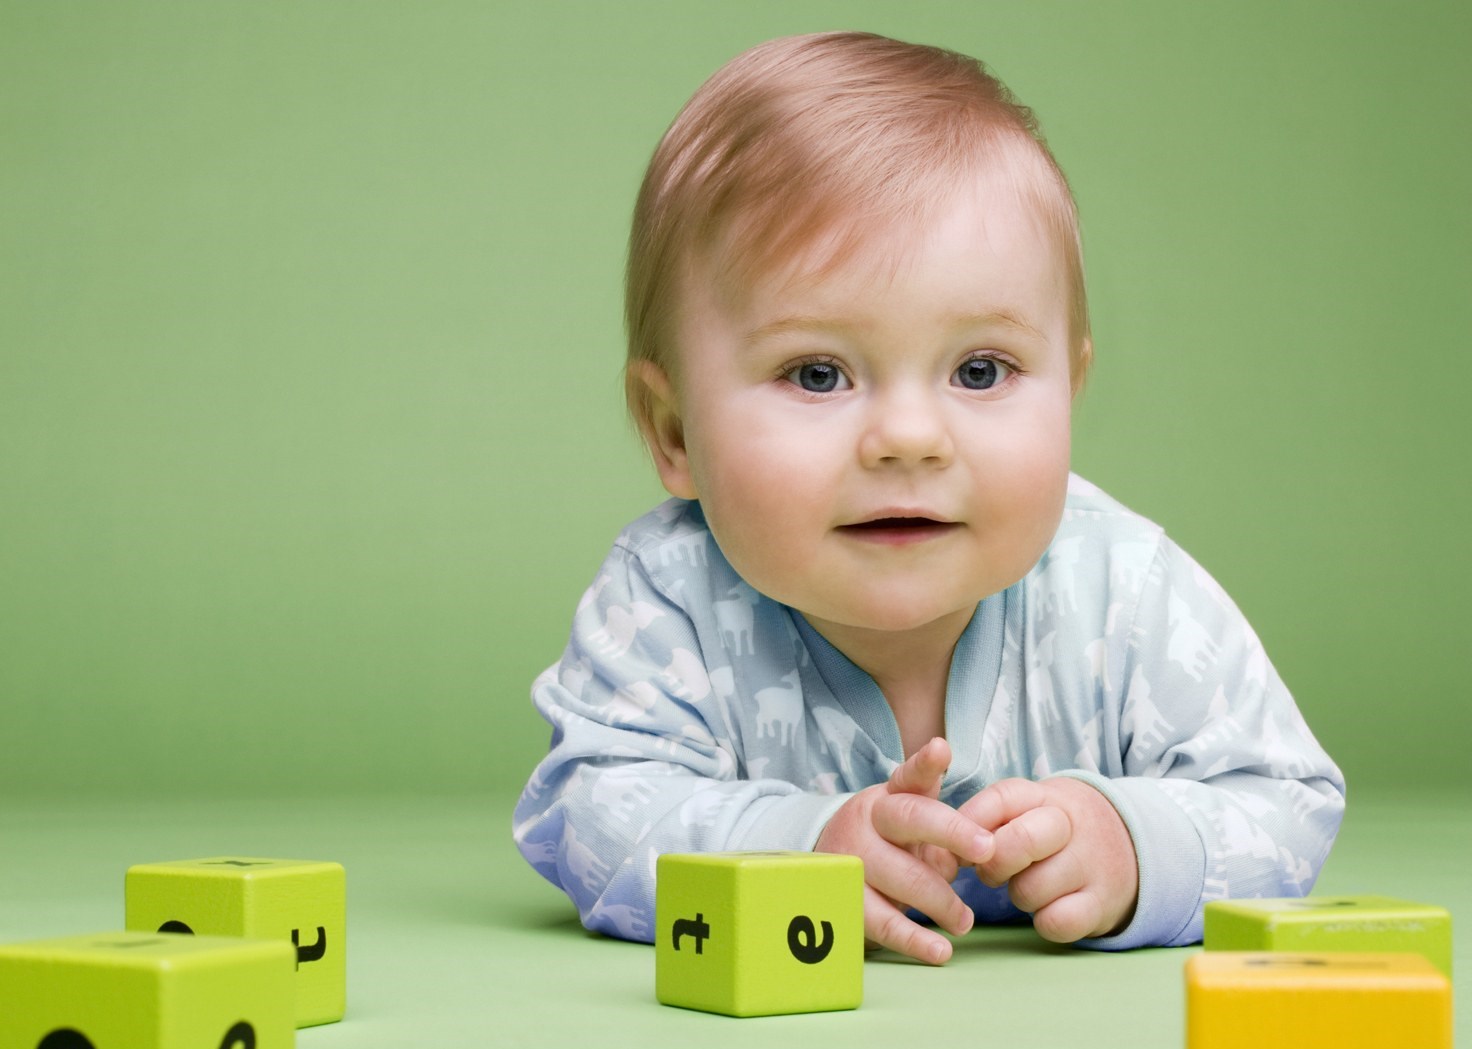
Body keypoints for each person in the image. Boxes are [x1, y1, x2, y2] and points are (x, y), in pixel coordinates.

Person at [512, 31, 1344, 965]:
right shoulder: (673, 601)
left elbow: (1286, 798)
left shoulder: (1124, 589)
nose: (909, 437)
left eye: (981, 369)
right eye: (817, 373)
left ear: (1067, 389)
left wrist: (1137, 842)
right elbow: (586, 810)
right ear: (672, 432)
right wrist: (802, 850)